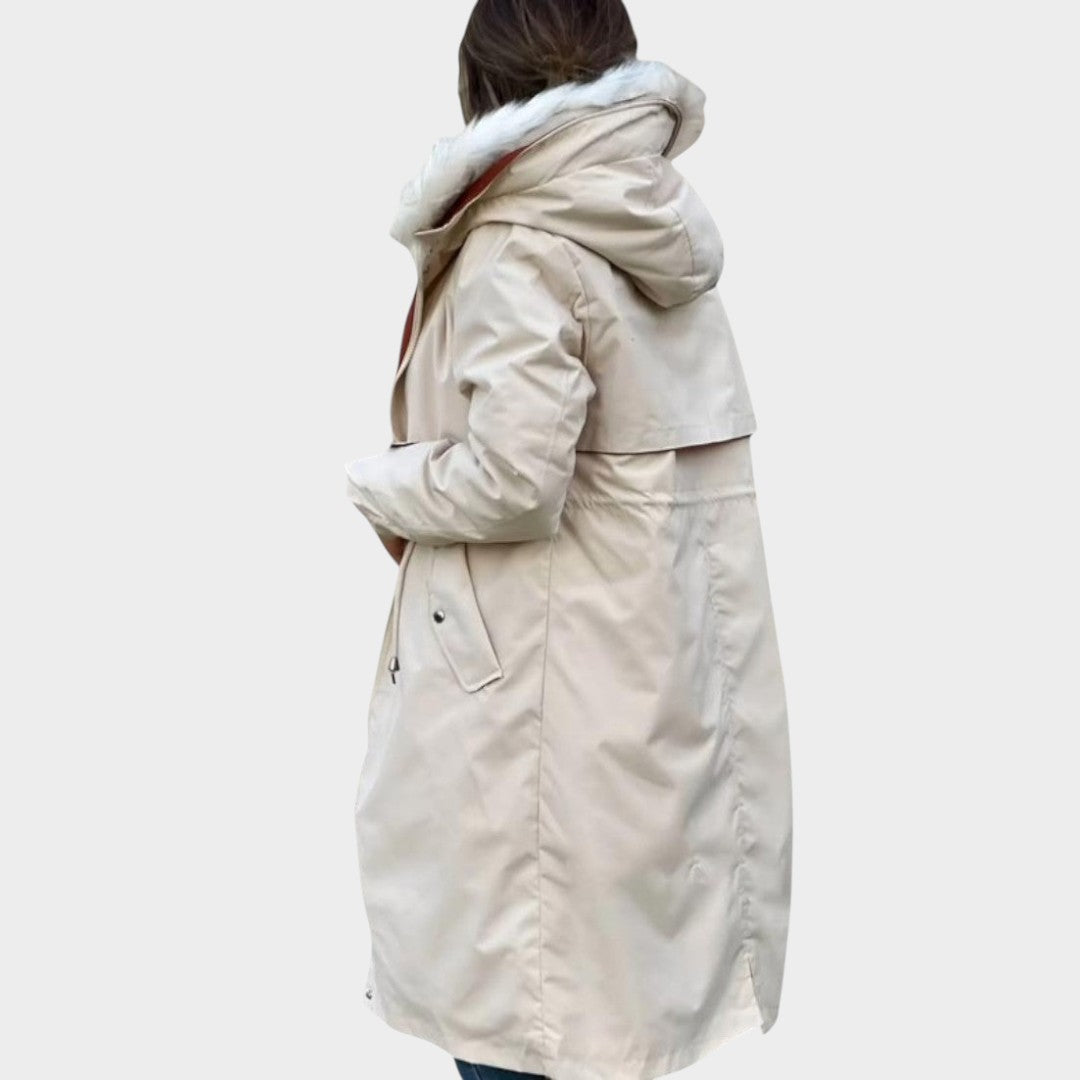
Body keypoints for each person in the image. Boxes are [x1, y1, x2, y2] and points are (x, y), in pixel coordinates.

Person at [344, 2, 793, 1078]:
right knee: (612, 1014)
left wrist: (382, 483)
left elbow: (514, 478)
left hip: (530, 716)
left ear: (480, 86)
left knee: (519, 1017)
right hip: (644, 697)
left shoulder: (520, 244)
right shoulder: (652, 227)